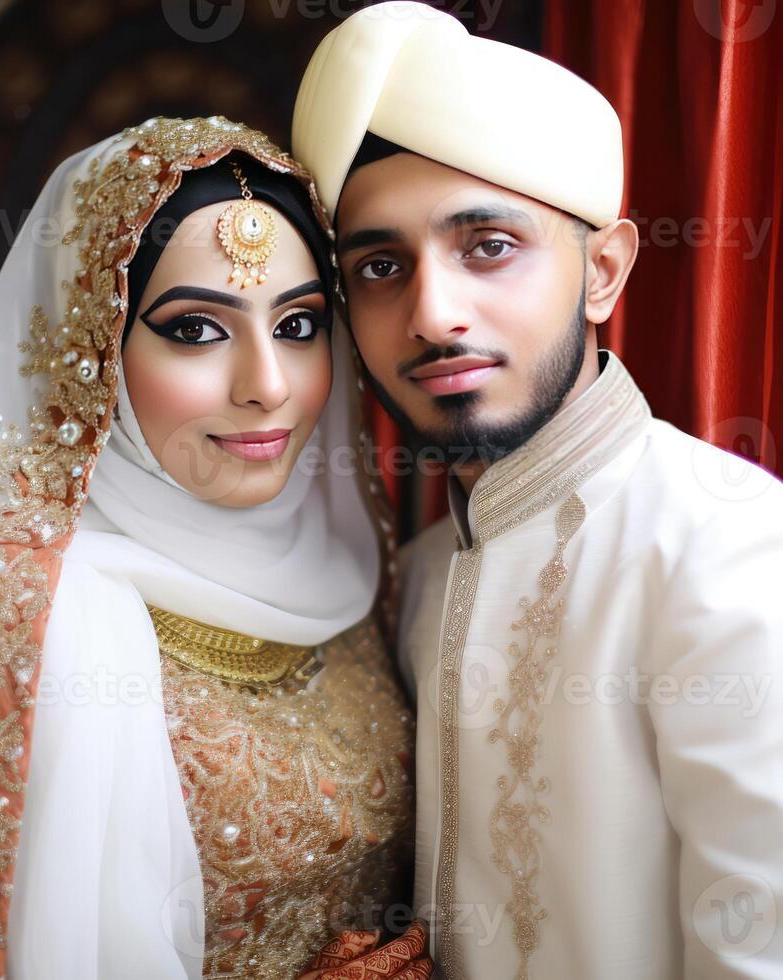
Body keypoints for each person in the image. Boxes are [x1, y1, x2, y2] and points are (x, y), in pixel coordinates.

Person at [0, 117, 430, 978]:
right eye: (197, 330)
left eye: (297, 325)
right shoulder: (44, 629)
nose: (269, 387)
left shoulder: (356, 568)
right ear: (91, 349)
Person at [291, 4, 783, 979]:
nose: (431, 313)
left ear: (601, 271)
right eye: (380, 266)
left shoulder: (727, 544)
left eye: (486, 246)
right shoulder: (416, 571)